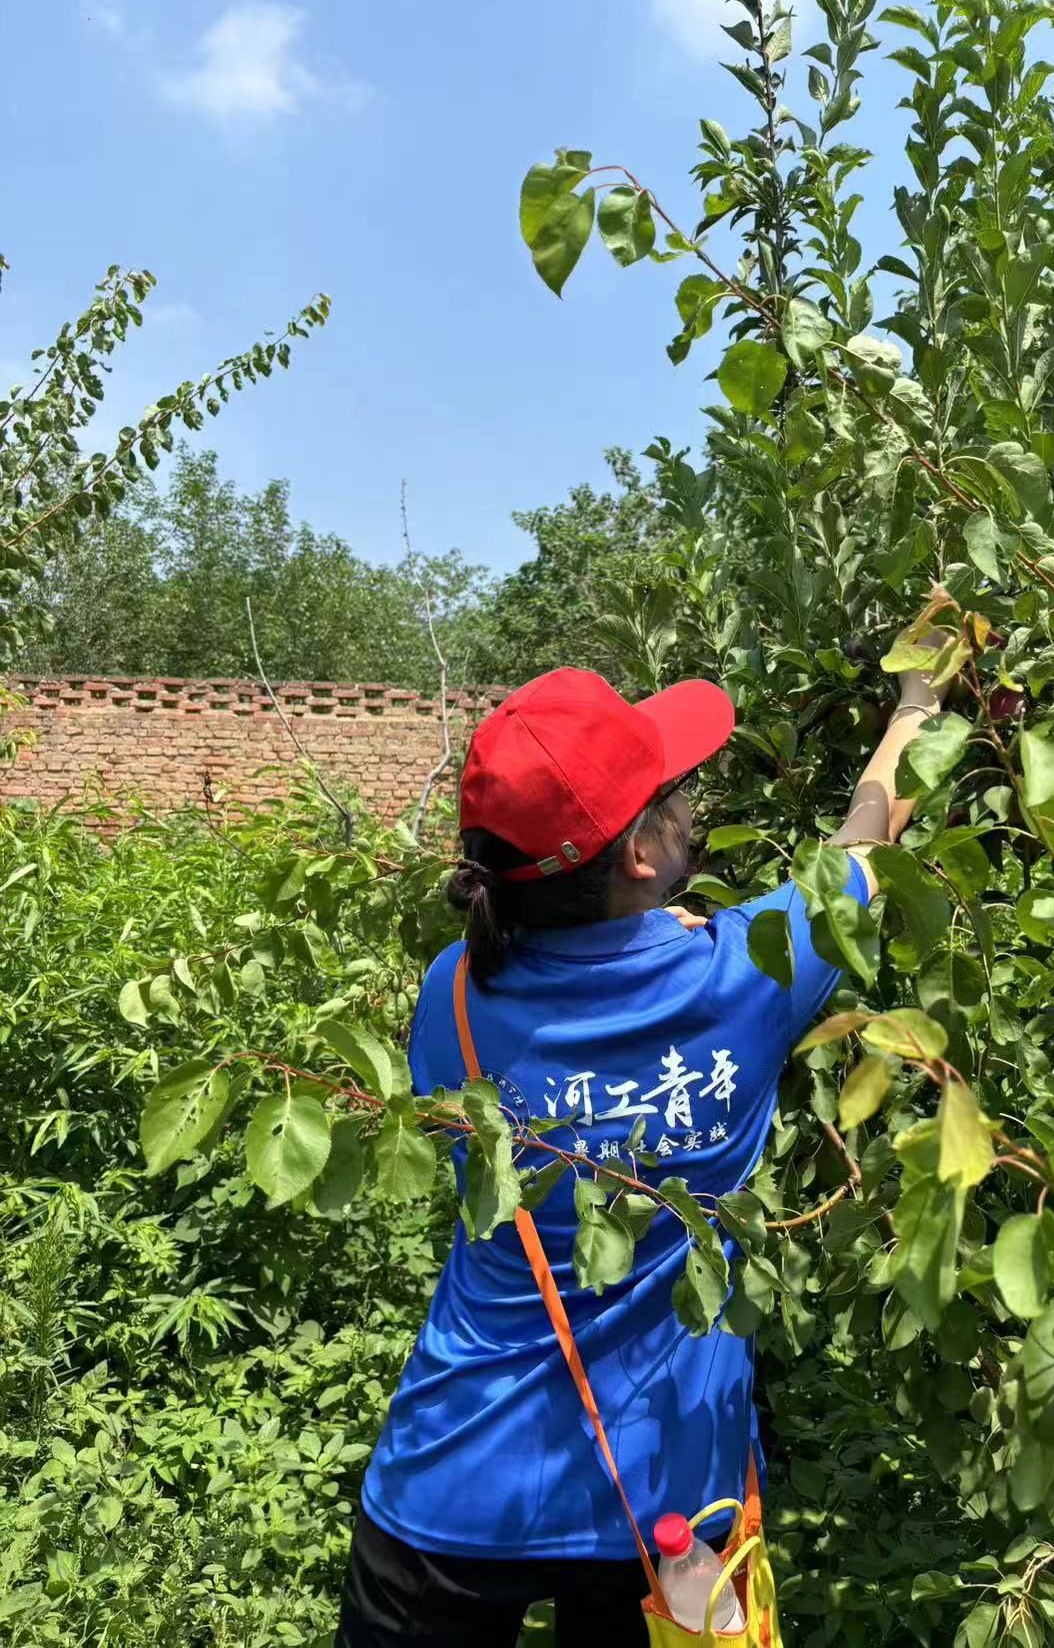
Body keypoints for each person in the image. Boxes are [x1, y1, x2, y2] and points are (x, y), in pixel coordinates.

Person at [337, 643, 950, 1648]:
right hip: (668, 1498)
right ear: (637, 856)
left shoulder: (453, 989)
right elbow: (872, 835)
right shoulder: (741, 975)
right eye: (672, 794)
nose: (689, 803)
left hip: (452, 1476)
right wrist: (920, 695)